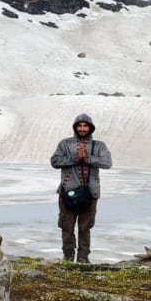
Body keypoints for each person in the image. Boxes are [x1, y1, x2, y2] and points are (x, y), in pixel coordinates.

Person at [50, 113, 112, 263]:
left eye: (85, 126)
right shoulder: (65, 144)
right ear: (75, 127)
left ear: (90, 128)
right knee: (67, 226)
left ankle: (83, 258)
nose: (82, 129)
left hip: (90, 193)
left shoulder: (99, 146)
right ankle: (68, 256)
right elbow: (55, 161)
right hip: (68, 192)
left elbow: (107, 163)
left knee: (85, 227)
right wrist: (74, 159)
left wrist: (89, 159)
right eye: (80, 126)